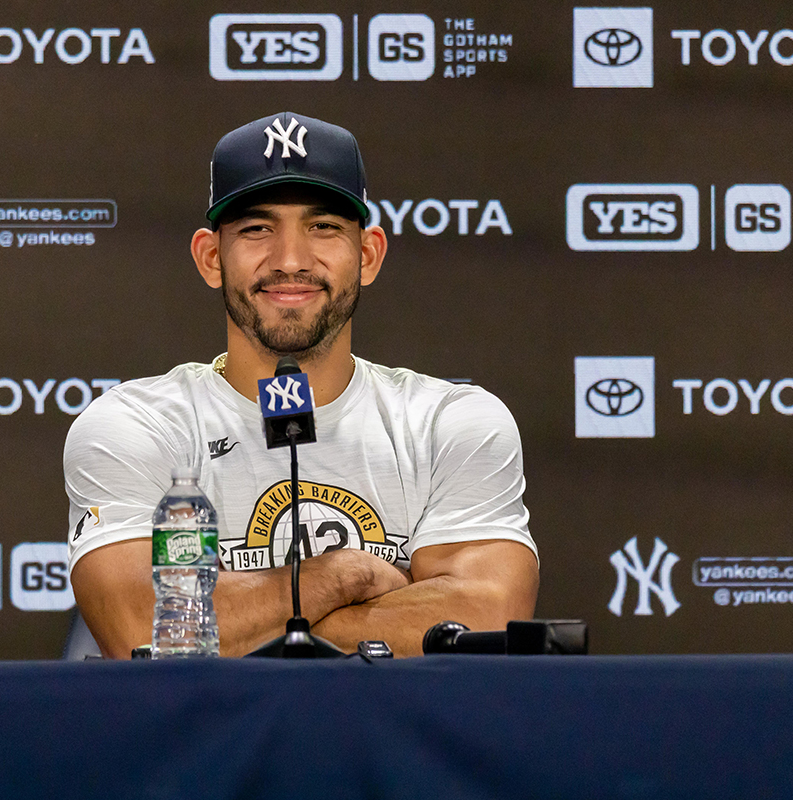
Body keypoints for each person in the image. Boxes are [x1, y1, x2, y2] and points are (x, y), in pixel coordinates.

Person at [65, 112, 538, 657]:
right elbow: (144, 631)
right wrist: (341, 578)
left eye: (324, 227)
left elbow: (485, 618)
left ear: (368, 255)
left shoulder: (451, 424)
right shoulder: (134, 427)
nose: (290, 260)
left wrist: (243, 623)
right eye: (257, 229)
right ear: (211, 258)